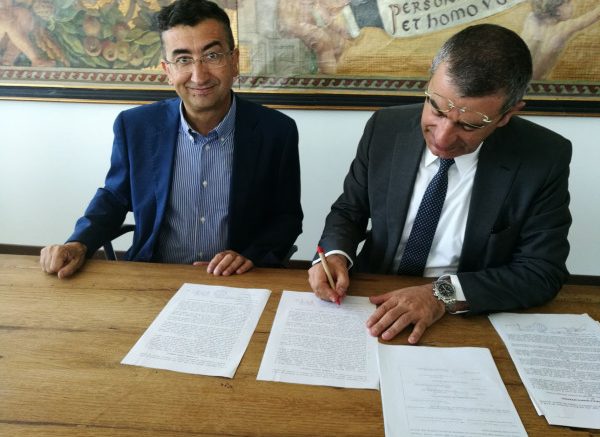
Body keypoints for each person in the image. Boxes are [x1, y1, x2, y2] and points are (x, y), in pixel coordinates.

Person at [308, 24, 572, 344]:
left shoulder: (543, 157)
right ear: (429, 82)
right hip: (372, 295)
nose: (443, 138)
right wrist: (335, 254)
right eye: (436, 108)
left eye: (469, 125)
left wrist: (440, 295)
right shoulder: (385, 127)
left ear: (507, 115)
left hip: (464, 313)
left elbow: (541, 272)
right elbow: (349, 210)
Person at [40, 0, 303, 278]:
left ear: (234, 61)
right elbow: (114, 198)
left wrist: (251, 256)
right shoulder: (136, 127)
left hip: (236, 281)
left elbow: (286, 217)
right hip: (154, 276)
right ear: (167, 71)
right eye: (183, 60)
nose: (199, 76)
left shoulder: (277, 131)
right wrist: (78, 242)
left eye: (212, 56)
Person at [521, 0, 600, 80]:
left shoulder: (532, 20)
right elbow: (595, 15)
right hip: (537, 82)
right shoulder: (562, 29)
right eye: (567, 3)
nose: (572, 6)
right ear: (557, 10)